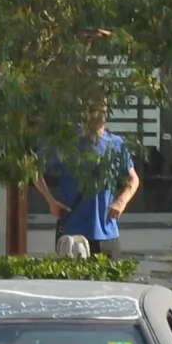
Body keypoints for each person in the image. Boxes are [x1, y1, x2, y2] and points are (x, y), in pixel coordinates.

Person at [36, 109, 139, 258]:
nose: (95, 114)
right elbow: (32, 169)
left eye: (100, 108)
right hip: (73, 234)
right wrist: (50, 201)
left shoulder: (116, 144)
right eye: (91, 109)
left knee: (111, 281)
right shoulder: (66, 144)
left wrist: (121, 201)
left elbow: (133, 179)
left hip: (108, 232)